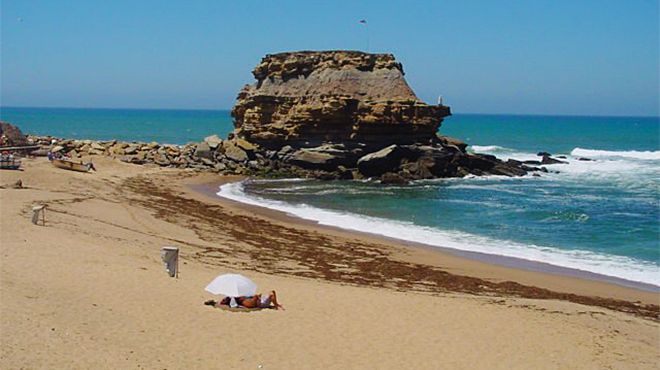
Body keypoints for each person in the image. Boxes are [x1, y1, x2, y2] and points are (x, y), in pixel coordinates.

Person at [204, 290, 284, 310]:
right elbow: (253, 304)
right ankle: (277, 305)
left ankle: (277, 305)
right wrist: (257, 297)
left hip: (259, 301)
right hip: (260, 303)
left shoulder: (243, 300)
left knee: (272, 292)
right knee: (272, 292)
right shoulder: (246, 302)